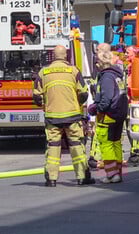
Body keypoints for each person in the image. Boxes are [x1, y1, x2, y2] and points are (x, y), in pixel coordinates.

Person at [33, 44, 94, 186]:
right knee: (77, 146)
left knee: (53, 147)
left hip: (52, 117)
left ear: (53, 56)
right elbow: (84, 93)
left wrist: (45, 104)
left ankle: (51, 179)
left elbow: (36, 97)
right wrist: (76, 103)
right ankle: (82, 177)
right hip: (72, 116)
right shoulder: (73, 71)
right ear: (65, 55)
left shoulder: (44, 72)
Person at [89, 46, 129, 183]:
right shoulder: (117, 75)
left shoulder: (106, 77)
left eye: (97, 62)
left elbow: (107, 98)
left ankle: (111, 174)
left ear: (100, 63)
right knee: (116, 143)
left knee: (106, 144)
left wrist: (96, 108)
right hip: (119, 113)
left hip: (109, 114)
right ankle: (117, 172)